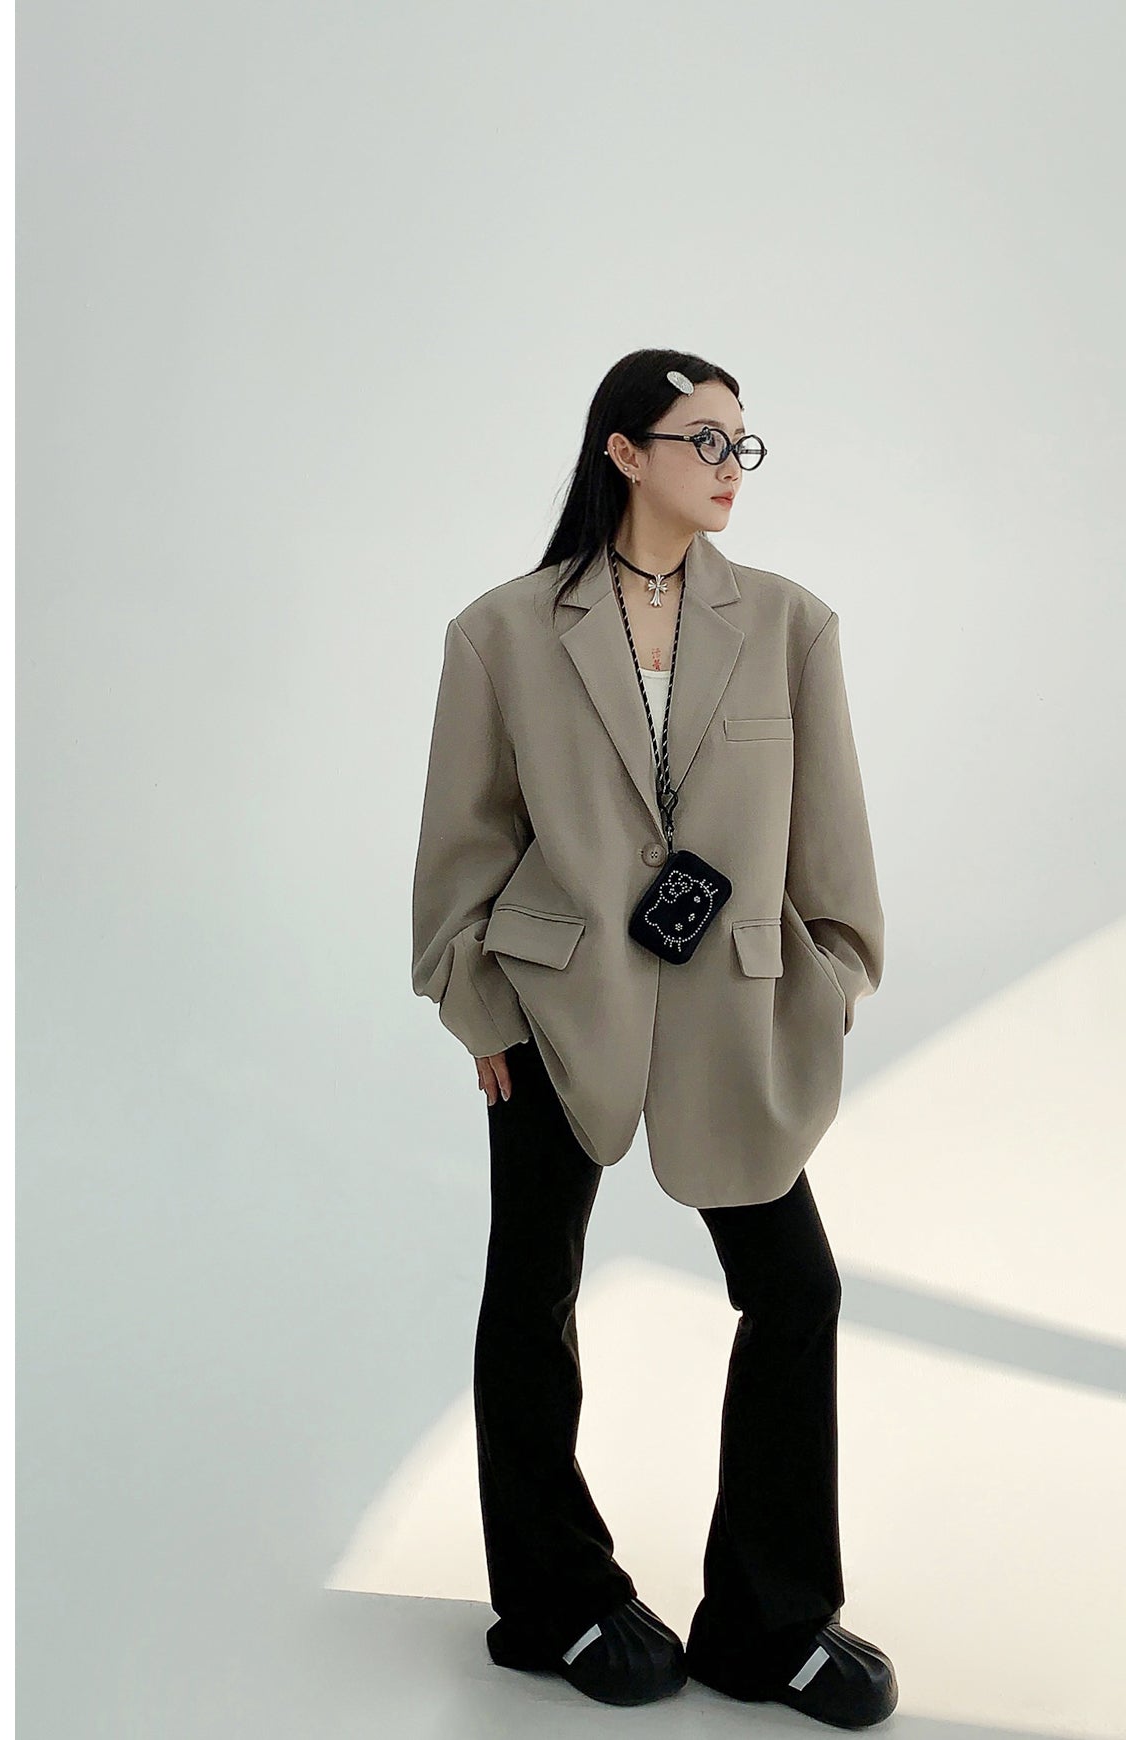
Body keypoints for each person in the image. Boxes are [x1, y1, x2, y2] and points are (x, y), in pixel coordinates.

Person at [410, 349, 895, 1728]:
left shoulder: (791, 624)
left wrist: (831, 977)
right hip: (553, 1007)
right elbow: (461, 842)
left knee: (795, 1290)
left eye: (744, 443)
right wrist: (477, 1003)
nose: (731, 466)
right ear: (624, 452)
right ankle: (555, 1600)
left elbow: (833, 835)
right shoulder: (502, 632)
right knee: (533, 1296)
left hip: (737, 1008)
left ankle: (768, 1623)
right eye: (704, 440)